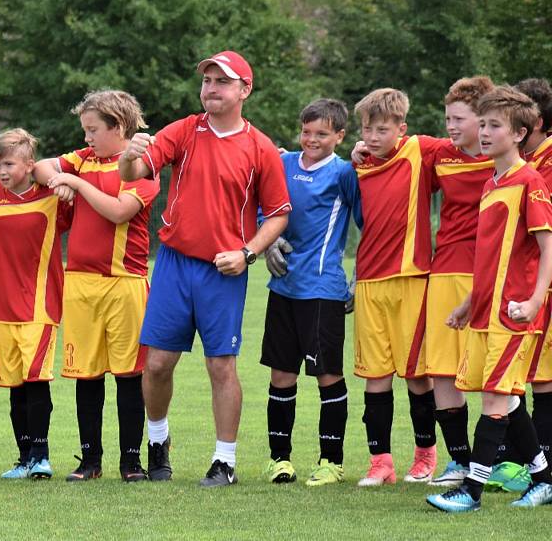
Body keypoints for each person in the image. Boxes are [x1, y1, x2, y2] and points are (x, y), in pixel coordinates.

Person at [119, 51, 290, 487]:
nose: (211, 88)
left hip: (224, 271)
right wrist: (128, 155)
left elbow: (278, 214)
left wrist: (248, 254)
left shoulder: (261, 147)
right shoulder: (185, 130)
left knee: (221, 367)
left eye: (222, 82)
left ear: (244, 90)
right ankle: (158, 442)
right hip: (175, 264)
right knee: (156, 364)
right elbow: (135, 171)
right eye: (207, 81)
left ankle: (225, 462)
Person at [426, 86, 552, 512]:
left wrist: (535, 302)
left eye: (493, 125)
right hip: (484, 309)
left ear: (519, 133)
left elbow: (548, 247)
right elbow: (489, 255)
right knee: (508, 397)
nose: (483, 132)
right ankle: (544, 478)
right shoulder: (491, 183)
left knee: (495, 399)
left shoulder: (529, 181)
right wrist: (467, 303)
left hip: (514, 312)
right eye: (481, 124)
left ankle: (471, 491)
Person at [33, 90, 158, 482]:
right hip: (81, 283)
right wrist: (59, 179)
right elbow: (38, 167)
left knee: (128, 374)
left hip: (124, 283)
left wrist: (76, 184)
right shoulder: (81, 160)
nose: (86, 138)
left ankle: (131, 462)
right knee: (86, 375)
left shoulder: (141, 169)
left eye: (93, 130)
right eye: (84, 129)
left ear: (118, 127)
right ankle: (90, 461)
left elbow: (119, 212)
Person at [260, 99, 361, 487]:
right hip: (282, 286)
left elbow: (366, 226)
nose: (311, 139)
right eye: (306, 132)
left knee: (327, 375)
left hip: (322, 290)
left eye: (322, 133)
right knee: (281, 374)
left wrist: (357, 276)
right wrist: (268, 243)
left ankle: (331, 461)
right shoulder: (283, 165)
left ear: (339, 135)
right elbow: (264, 209)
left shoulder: (344, 174)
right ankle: (279, 460)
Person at [352, 88, 441, 486]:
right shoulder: (357, 165)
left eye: (382, 129)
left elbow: (470, 144)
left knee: (417, 375)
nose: (373, 137)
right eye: (367, 129)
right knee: (376, 375)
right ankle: (380, 462)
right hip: (369, 281)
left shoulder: (421, 151)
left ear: (401, 129)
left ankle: (425, 456)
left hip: (412, 279)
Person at [0, 129, 68, 480]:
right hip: (1, 307)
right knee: (14, 385)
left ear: (30, 165)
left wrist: (57, 178)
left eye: (9, 163)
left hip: (39, 306)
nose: (1, 170)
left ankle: (41, 455)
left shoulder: (52, 197)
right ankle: (24, 456)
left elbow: (76, 193)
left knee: (36, 380)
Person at [424, 77, 496, 487]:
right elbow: (395, 148)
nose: (451, 125)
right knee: (442, 370)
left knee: (492, 367)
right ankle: (459, 460)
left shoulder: (506, 156)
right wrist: (362, 151)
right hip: (446, 268)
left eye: (459, 118)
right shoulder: (440, 154)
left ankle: (503, 461)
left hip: (490, 272)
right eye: (447, 117)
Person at [516, 78, 552, 471]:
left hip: (543, 283)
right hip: (527, 282)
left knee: (543, 375)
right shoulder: (523, 163)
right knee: (529, 372)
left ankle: (543, 462)